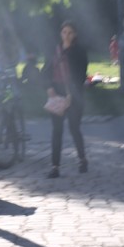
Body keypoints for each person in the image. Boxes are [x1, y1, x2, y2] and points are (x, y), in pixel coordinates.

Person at [43, 20, 88, 178]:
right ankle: (55, 166)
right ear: (60, 34)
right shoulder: (55, 50)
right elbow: (46, 71)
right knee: (57, 130)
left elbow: (81, 74)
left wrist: (72, 94)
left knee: (74, 128)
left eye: (70, 33)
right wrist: (49, 87)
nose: (67, 36)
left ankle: (82, 159)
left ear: (75, 34)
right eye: (64, 32)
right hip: (57, 93)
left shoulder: (79, 51)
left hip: (74, 95)